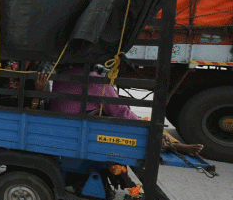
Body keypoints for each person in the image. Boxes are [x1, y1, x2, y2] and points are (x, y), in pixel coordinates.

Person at [51, 65, 203, 155]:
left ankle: (168, 142)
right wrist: (145, 126)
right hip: (85, 128)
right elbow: (120, 111)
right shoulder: (94, 81)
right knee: (139, 121)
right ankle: (169, 143)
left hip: (65, 124)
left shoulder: (61, 76)